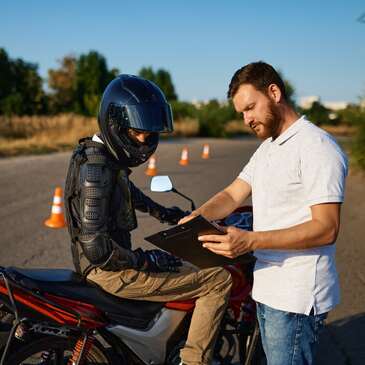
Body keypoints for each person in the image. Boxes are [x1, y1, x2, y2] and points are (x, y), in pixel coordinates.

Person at [179, 62, 348, 365]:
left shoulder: (317, 147)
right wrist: (198, 218)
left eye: (250, 108)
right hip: (267, 288)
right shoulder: (269, 148)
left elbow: (326, 228)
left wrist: (250, 241)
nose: (246, 119)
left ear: (274, 92)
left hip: (297, 296)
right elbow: (232, 194)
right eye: (241, 113)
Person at [64, 74, 232, 365]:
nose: (144, 139)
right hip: (111, 271)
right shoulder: (96, 170)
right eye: (137, 132)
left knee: (182, 262)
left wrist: (165, 213)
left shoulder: (102, 159)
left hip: (112, 265)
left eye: (148, 132)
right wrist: (145, 261)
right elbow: (97, 250)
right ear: (116, 124)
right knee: (218, 279)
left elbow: (127, 192)